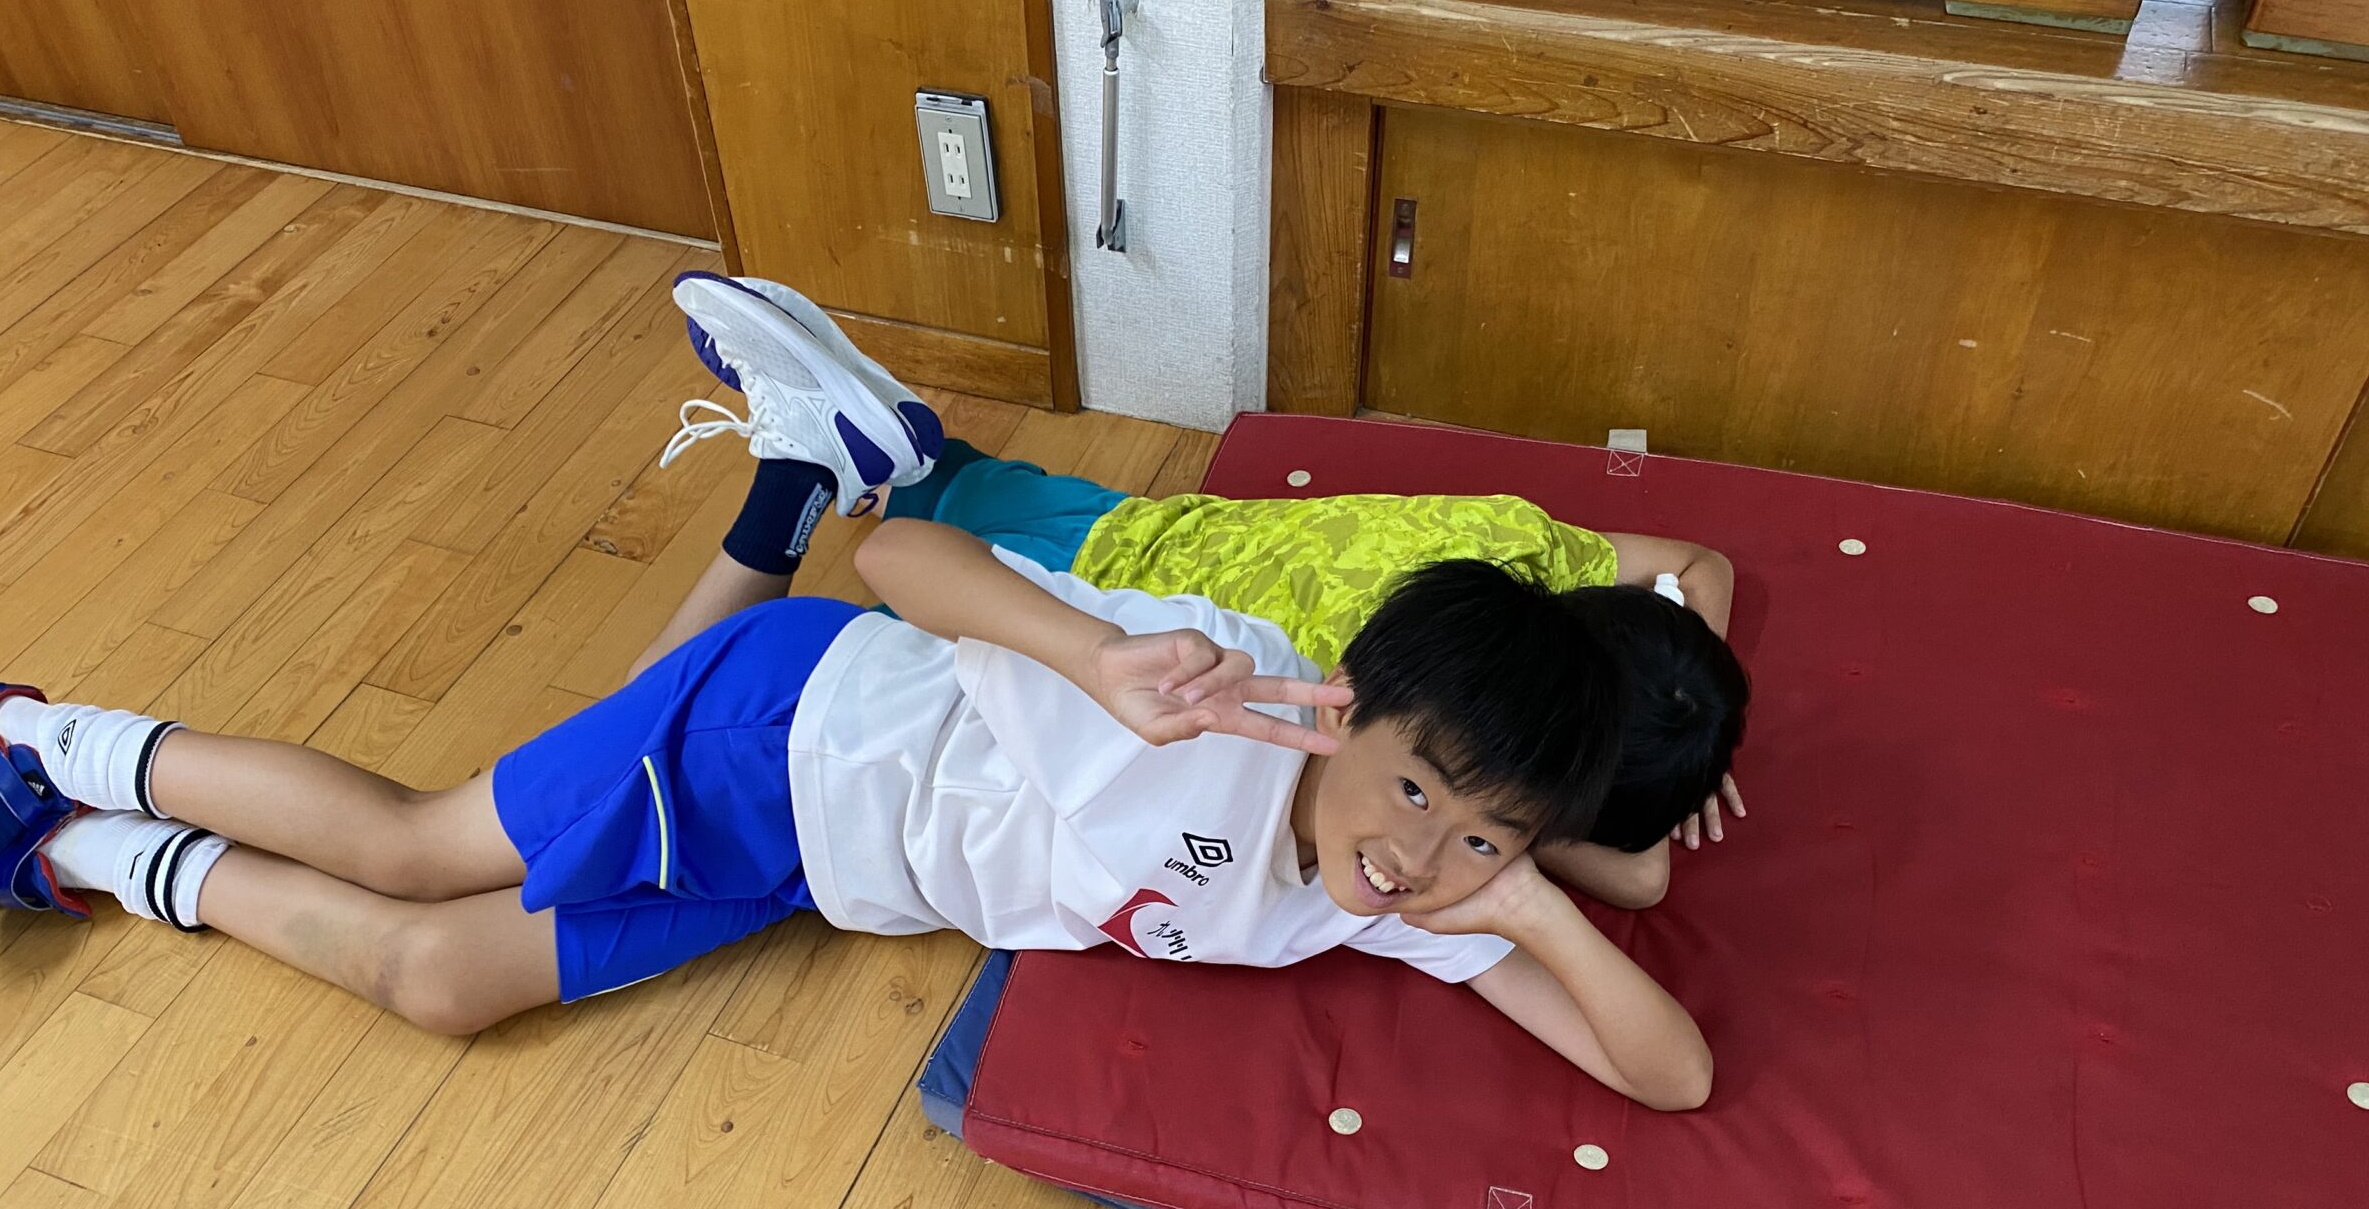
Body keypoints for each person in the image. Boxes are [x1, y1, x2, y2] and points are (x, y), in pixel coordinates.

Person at [0, 275, 1713, 1110]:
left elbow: (1673, 1078)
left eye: (1480, 840)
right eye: (1418, 792)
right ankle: (16, 735)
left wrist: (1534, 899)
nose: (1418, 854)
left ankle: (69, 851)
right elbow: (901, 563)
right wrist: (1095, 660)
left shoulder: (1416, 906)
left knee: (439, 986)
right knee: (420, 850)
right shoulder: (1218, 686)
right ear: (1351, 703)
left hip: (815, 868)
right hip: (794, 724)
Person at [644, 274, 1751, 910]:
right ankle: (791, 492)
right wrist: (1664, 776)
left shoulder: (1519, 545)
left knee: (929, 504)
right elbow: (1642, 880)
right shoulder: (1405, 709)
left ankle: (874, 456)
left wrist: (1687, 700)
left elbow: (1704, 565)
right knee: (657, 703)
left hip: (1111, 520)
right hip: (1075, 617)